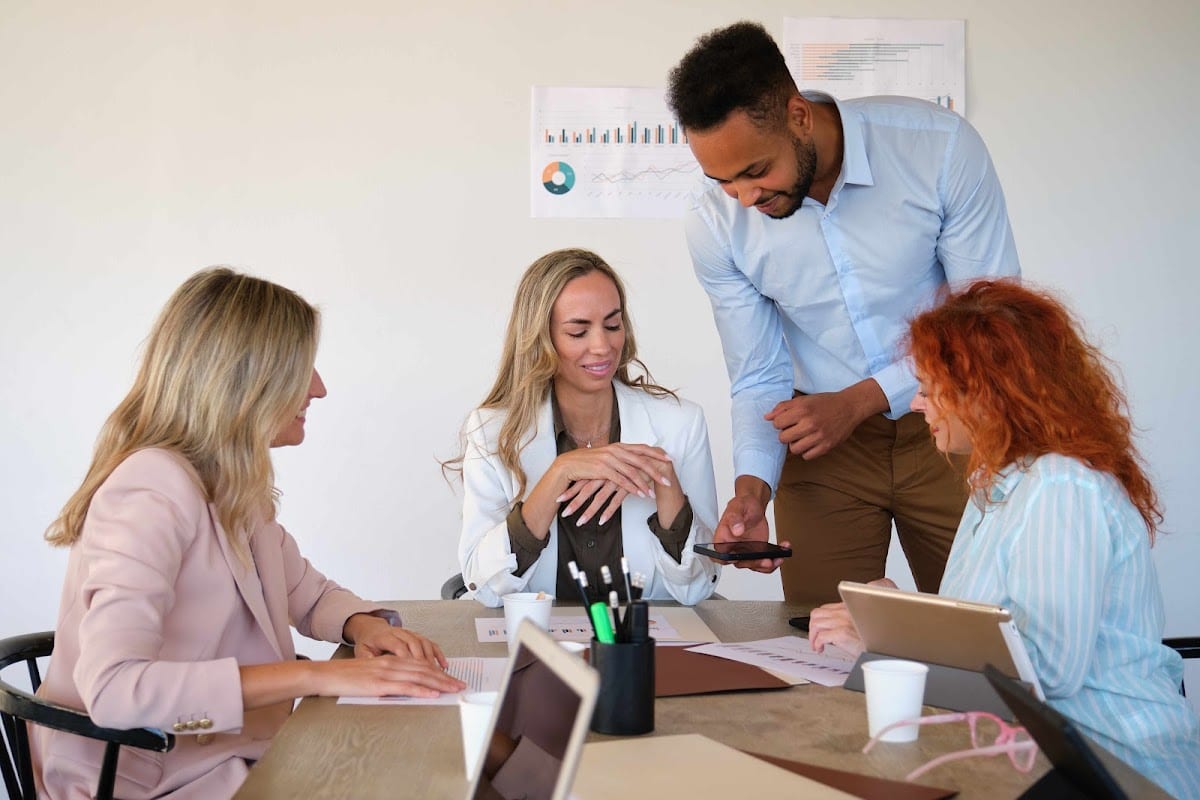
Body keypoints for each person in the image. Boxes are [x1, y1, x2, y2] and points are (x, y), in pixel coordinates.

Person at [32, 268, 465, 800]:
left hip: (225, 754)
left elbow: (304, 590)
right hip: (145, 779)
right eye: (302, 368)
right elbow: (117, 693)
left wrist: (361, 625)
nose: (319, 387)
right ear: (247, 380)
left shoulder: (233, 483)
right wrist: (315, 677)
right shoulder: (150, 491)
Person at [666, 21, 1021, 604]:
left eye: (755, 171)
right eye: (721, 180)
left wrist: (859, 401)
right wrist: (753, 490)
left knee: (984, 632)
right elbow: (758, 375)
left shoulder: (938, 149)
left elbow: (989, 320)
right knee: (817, 645)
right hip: (823, 449)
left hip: (956, 421)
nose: (745, 199)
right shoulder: (713, 224)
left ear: (799, 117)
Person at [808, 279, 1200, 797]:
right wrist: (897, 616)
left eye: (928, 389)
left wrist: (892, 637)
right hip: (1036, 755)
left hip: (1111, 766)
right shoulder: (997, 484)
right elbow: (995, 631)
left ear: (987, 394)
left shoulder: (1061, 485)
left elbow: (1047, 675)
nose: (918, 406)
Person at [451, 248, 719, 607]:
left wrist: (665, 484)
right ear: (541, 339)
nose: (603, 346)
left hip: (644, 647)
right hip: (541, 646)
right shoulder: (490, 431)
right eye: (578, 332)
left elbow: (698, 587)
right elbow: (484, 587)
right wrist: (559, 473)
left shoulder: (680, 423)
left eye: (613, 325)